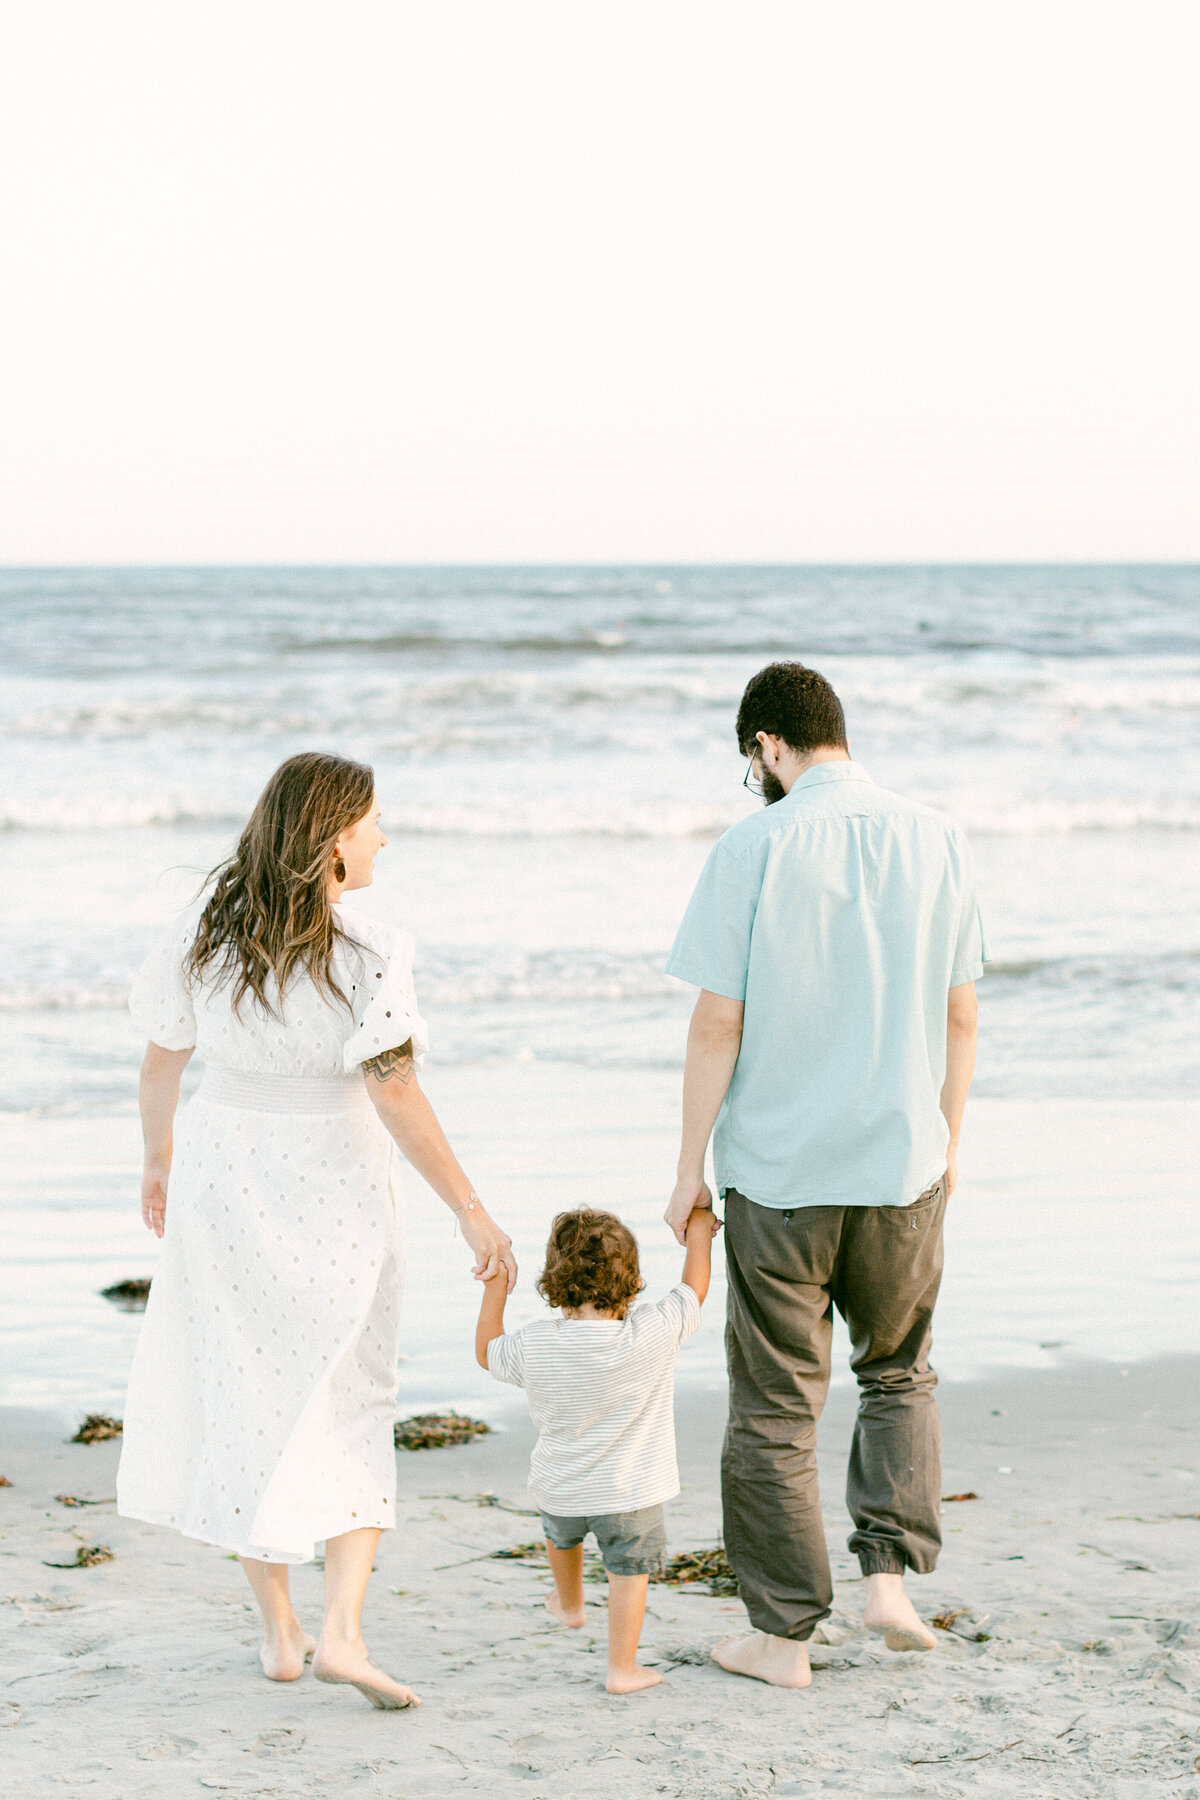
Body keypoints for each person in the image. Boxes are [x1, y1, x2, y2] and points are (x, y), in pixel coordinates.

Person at [117, 751, 516, 1710]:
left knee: (243, 1395)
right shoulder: (373, 950)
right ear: (337, 838)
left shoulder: (204, 936)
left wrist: (159, 1161)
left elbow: (160, 1064)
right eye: (376, 821)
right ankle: (341, 1631)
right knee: (350, 1392)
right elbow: (395, 1088)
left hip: (225, 1175)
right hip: (335, 1181)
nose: (386, 837)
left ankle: (281, 1634)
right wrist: (471, 1209)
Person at [663, 662, 984, 1691]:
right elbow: (961, 1011)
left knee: (773, 1409)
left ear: (765, 747)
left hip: (781, 1172)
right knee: (898, 1371)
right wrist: (946, 1144)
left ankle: (785, 1637)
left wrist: (684, 1174)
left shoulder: (753, 844)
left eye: (746, 760)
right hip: (903, 1162)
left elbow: (718, 1021)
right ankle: (887, 1579)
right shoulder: (935, 835)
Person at [477, 1206, 715, 1694]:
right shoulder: (652, 1331)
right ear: (631, 1280)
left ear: (553, 1280)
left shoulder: (536, 1343)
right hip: (631, 1493)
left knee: (562, 1538)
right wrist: (698, 1232)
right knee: (629, 1573)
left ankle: (569, 1605)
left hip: (559, 1488)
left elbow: (488, 1353)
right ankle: (622, 1669)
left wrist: (494, 1288)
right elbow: (695, 1289)